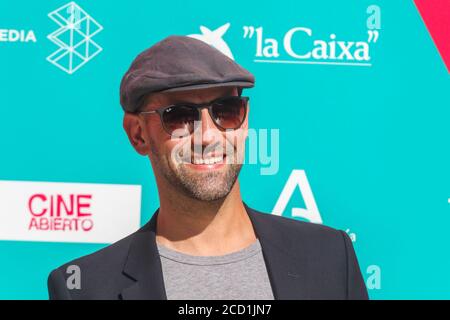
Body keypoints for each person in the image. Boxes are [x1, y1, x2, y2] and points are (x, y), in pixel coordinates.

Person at [47, 35, 368, 300]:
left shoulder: (329, 258)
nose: (208, 135)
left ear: (245, 120)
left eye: (225, 110)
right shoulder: (83, 289)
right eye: (179, 116)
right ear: (138, 134)